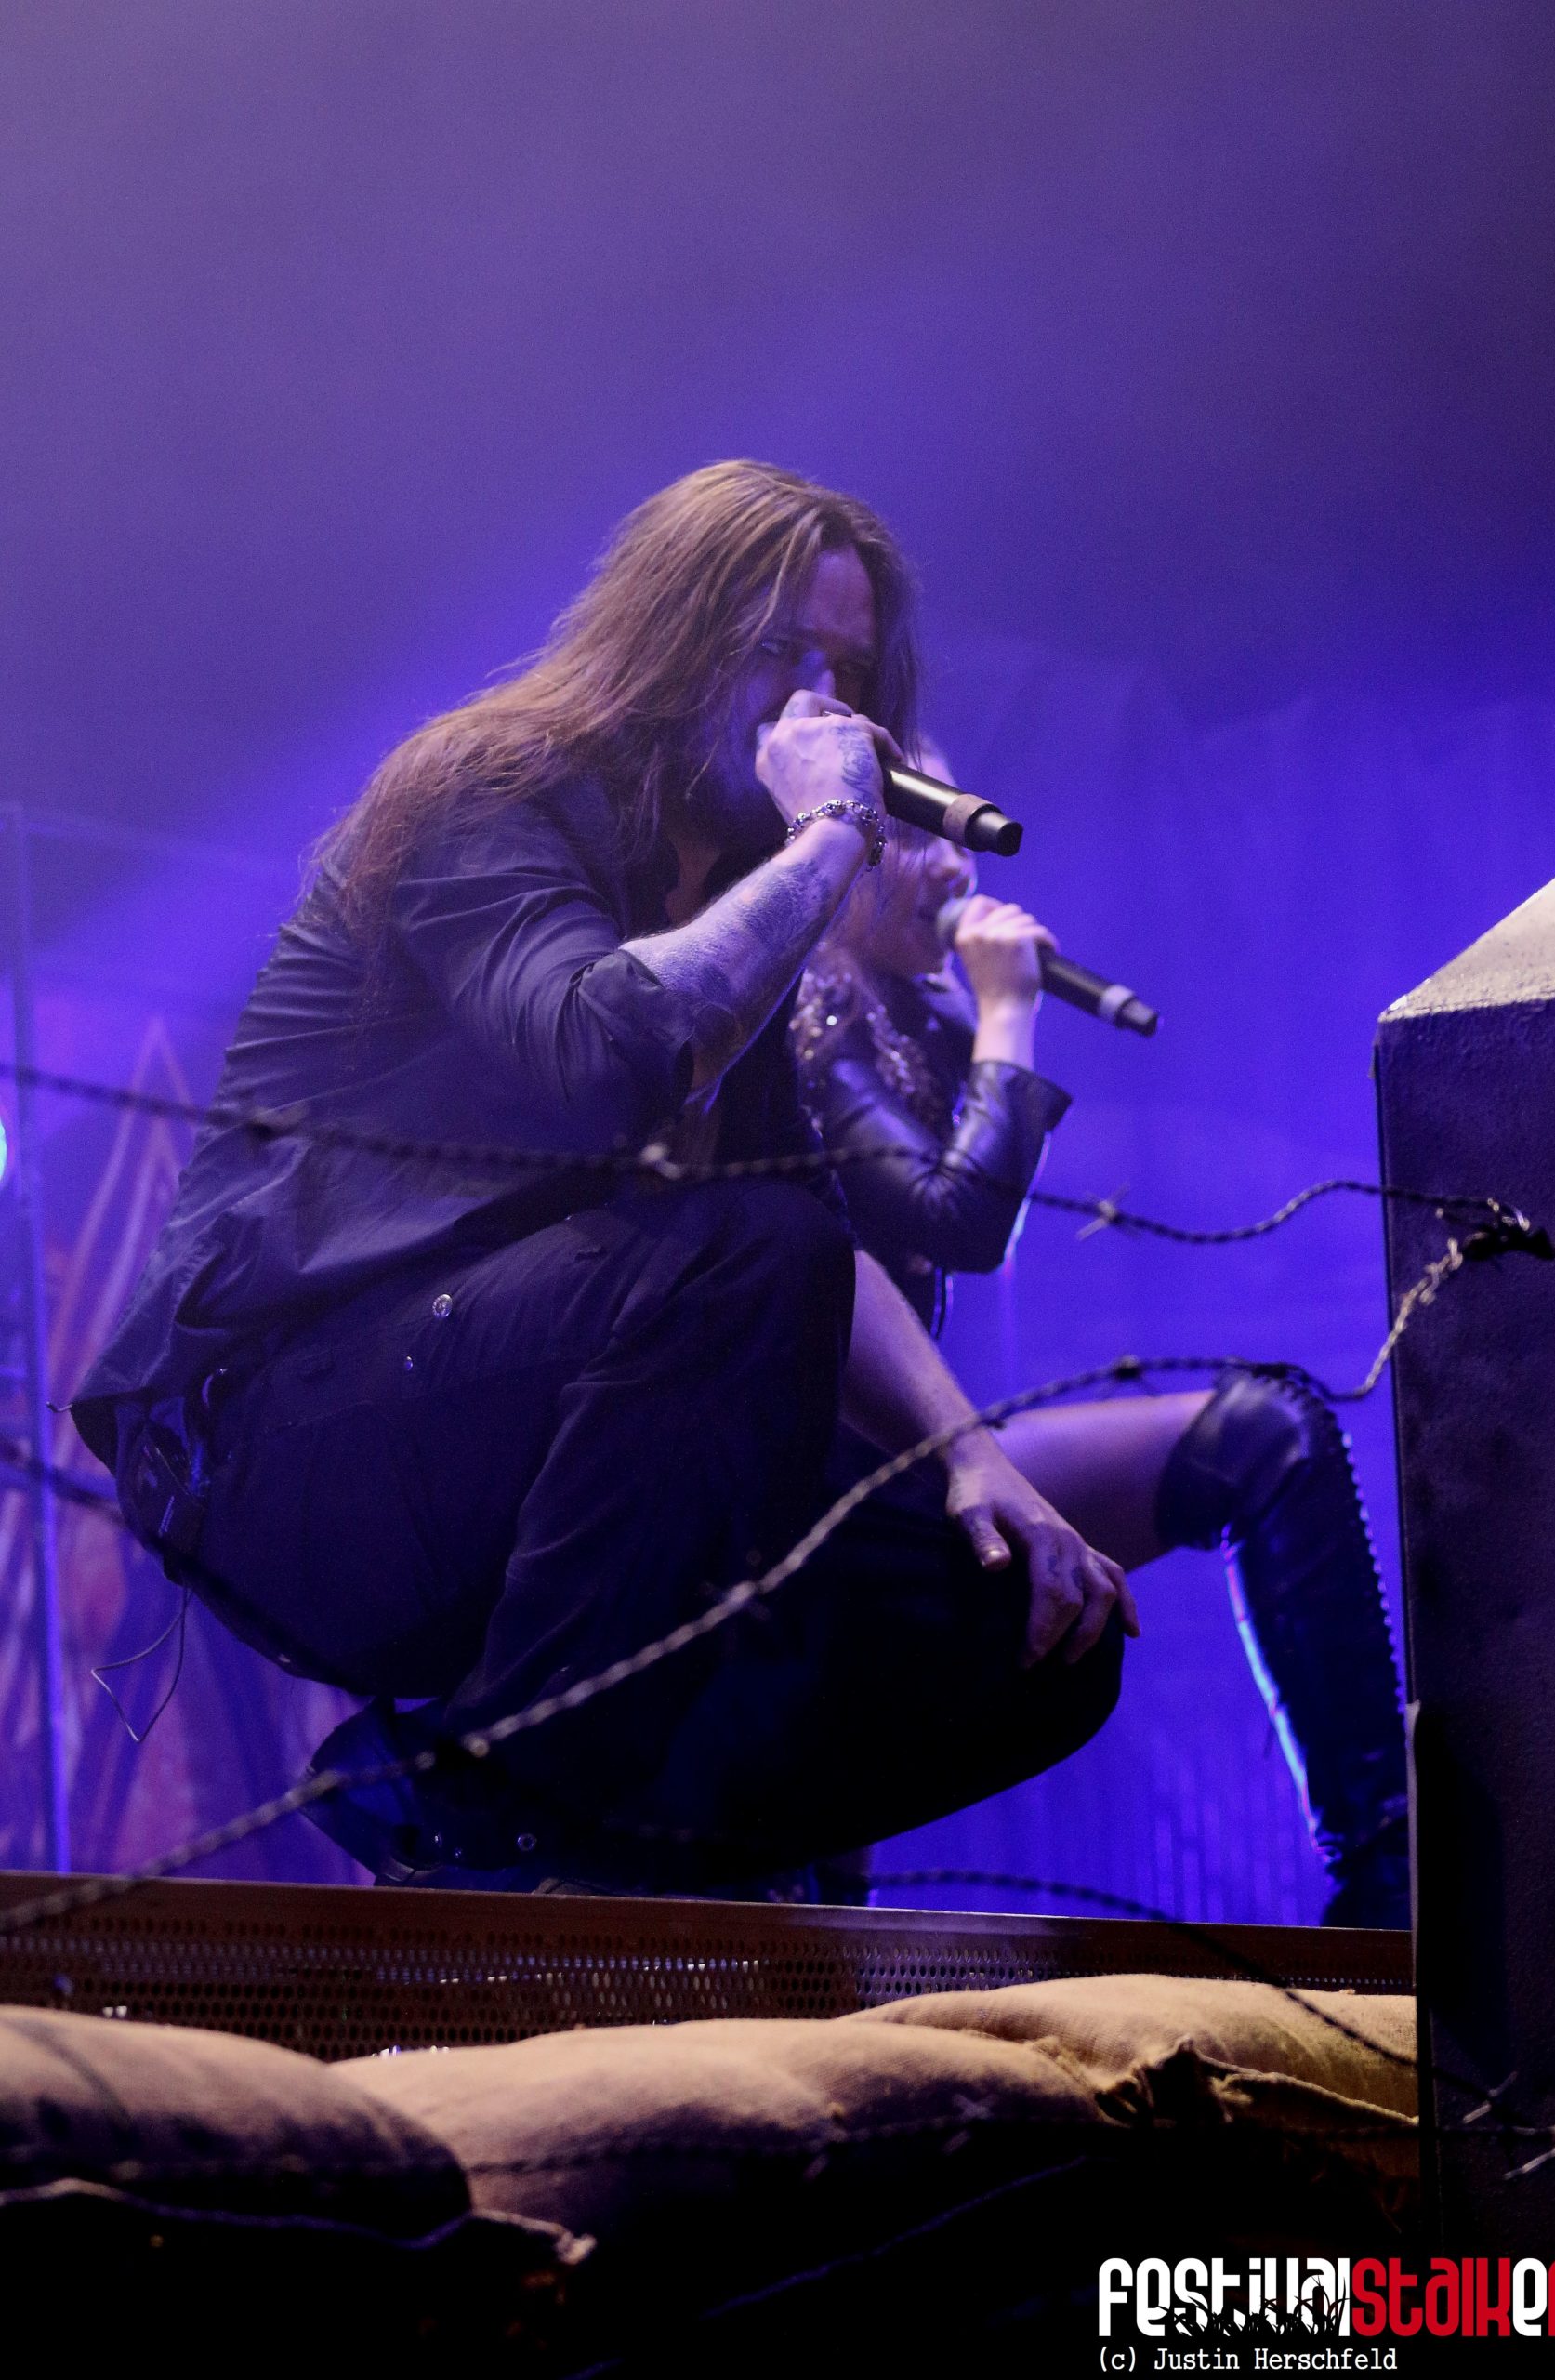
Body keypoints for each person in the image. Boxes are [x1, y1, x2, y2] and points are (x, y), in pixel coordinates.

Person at [72, 461, 1135, 1897]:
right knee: (744, 1255)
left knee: (1026, 1632)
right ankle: (491, 1815)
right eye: (778, 650)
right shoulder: (488, 790)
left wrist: (972, 1459)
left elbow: (825, 1237)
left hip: (529, 1444)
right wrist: (830, 837)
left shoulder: (738, 893)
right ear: (673, 636)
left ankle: (616, 1844)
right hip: (279, 1444)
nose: (816, 702)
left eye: (847, 669)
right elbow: (606, 1052)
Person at [794, 808, 1409, 1925]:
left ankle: (1390, 1879)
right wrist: (1006, 1012)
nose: (955, 863)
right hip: (830, 1491)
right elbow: (962, 1217)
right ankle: (1388, 1882)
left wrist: (978, 1018)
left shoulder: (890, 1011)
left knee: (1269, 1437)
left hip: (908, 1464)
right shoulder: (814, 1008)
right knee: (1262, 1435)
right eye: (919, 834)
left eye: (959, 833)